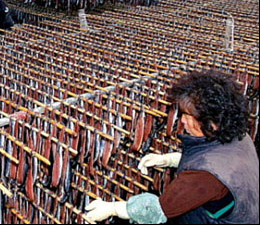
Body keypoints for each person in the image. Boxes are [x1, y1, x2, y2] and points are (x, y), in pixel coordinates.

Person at [84, 69, 259, 224]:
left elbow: (158, 210)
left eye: (189, 116)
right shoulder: (239, 136)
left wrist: (114, 209)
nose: (182, 120)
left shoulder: (204, 177)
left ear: (212, 123)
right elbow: (214, 158)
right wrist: (169, 159)